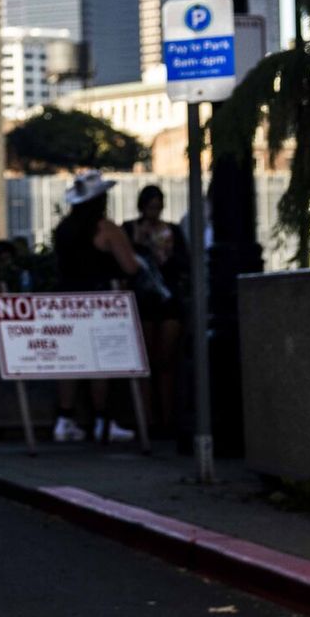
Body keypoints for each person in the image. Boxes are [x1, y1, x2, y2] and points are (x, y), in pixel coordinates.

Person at [51, 171, 143, 444]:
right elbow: (130, 266)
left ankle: (65, 419)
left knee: (69, 362)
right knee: (101, 362)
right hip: (100, 300)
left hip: (67, 300)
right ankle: (103, 420)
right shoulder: (106, 229)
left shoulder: (64, 229)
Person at [122, 184, 191, 443]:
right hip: (144, 300)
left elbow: (184, 264)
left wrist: (167, 254)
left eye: (158, 205)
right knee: (147, 362)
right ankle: (149, 418)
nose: (155, 211)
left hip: (167, 299)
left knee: (165, 362)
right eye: (151, 206)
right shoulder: (130, 230)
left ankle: (165, 417)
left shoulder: (171, 232)